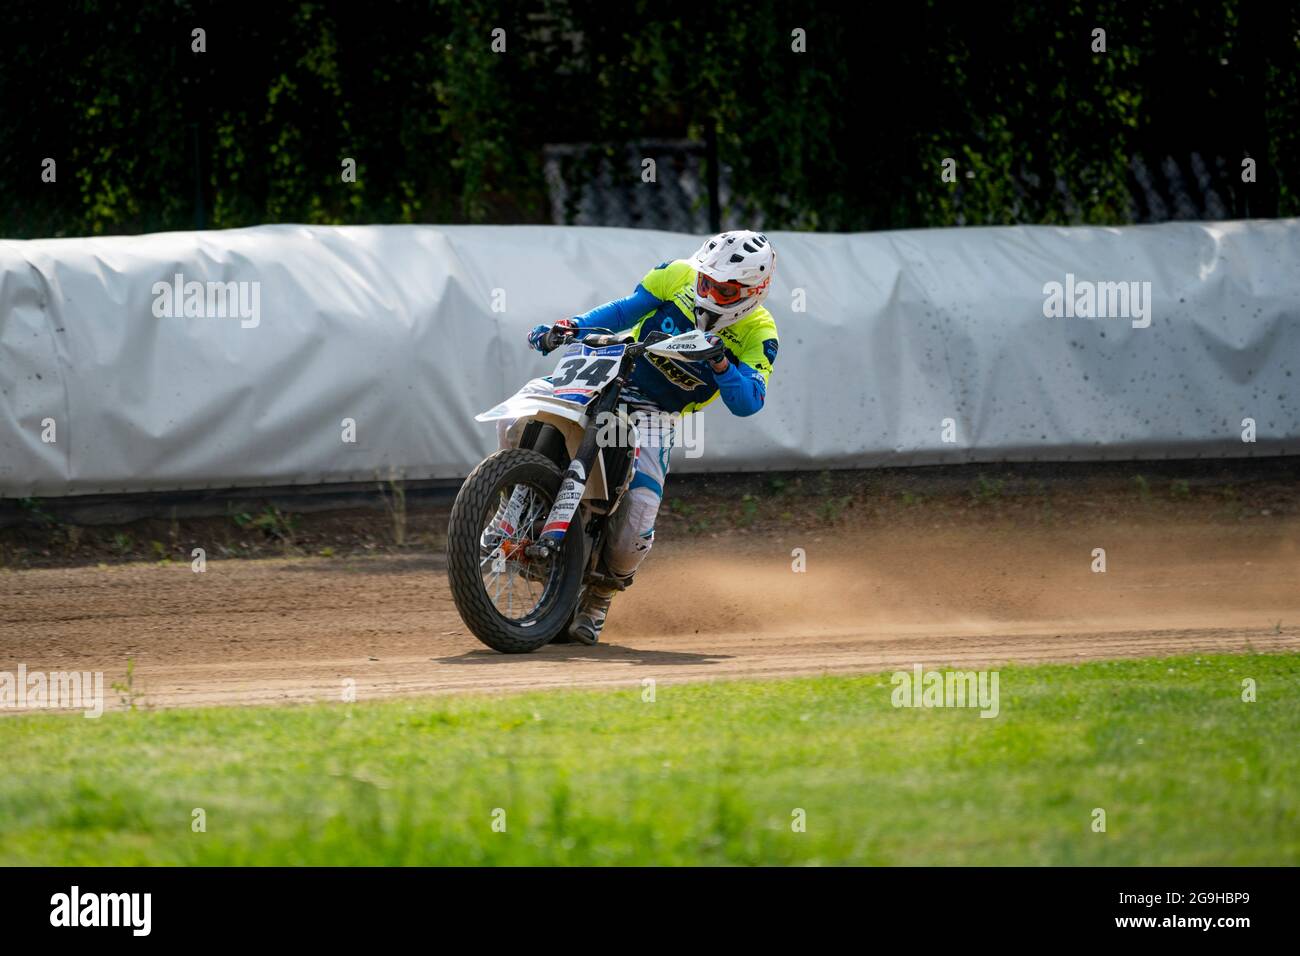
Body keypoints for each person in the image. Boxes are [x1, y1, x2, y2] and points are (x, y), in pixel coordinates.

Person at [521, 230, 780, 644]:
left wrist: (719, 362)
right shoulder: (676, 274)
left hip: (658, 413)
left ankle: (600, 595)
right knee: (526, 406)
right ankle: (509, 504)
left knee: (637, 517)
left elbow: (749, 401)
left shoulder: (760, 333)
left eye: (726, 290)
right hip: (611, 376)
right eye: (707, 281)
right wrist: (571, 326)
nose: (710, 292)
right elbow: (625, 311)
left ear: (754, 291)